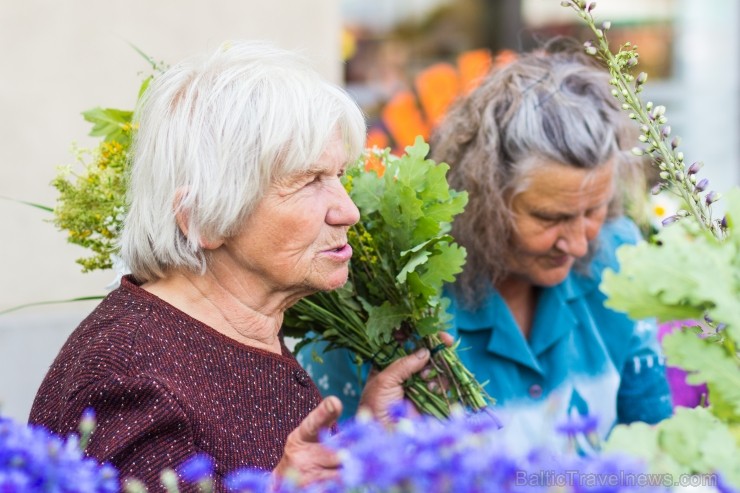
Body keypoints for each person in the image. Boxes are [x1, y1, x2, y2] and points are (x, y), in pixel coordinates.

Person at [28, 40, 433, 491]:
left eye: (337, 176)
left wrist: (368, 442)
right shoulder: (130, 372)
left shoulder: (230, 330)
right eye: (309, 180)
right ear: (202, 218)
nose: (347, 211)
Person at [297, 38, 673, 452]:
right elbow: (344, 469)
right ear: (484, 201)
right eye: (550, 217)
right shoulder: (392, 303)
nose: (581, 243)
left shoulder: (616, 254)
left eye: (596, 211)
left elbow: (657, 448)